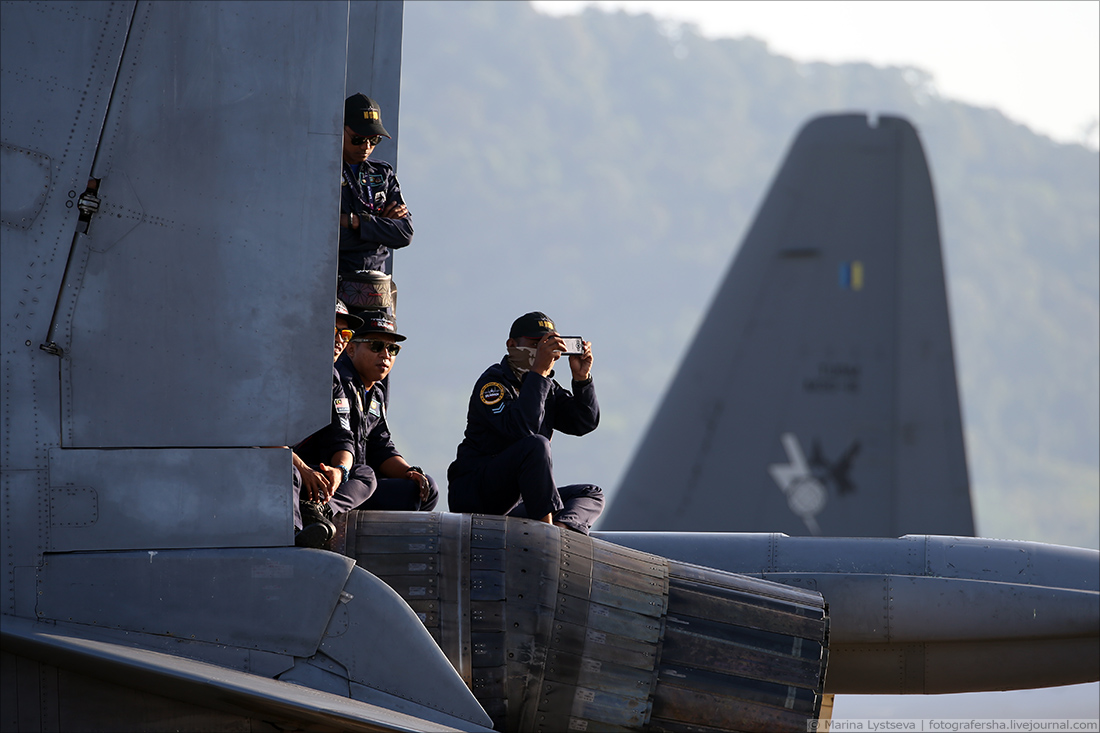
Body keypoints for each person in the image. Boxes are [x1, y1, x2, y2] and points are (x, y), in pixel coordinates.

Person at [447, 311, 604, 534]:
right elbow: (522, 429)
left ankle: (560, 532)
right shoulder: (493, 384)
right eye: (535, 344)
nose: (542, 351)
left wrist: (582, 380)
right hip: (478, 496)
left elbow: (583, 422)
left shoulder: (546, 386)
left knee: (591, 494)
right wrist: (539, 372)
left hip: (517, 502)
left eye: (547, 345)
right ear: (511, 344)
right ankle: (546, 533)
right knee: (536, 444)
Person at [331, 310, 439, 513]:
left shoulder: (376, 392)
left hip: (362, 483)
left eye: (393, 349)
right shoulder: (337, 382)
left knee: (426, 488)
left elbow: (381, 446)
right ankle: (324, 512)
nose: (385, 355)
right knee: (378, 481)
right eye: (376, 346)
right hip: (339, 478)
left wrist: (410, 472)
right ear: (351, 349)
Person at [290, 299, 366, 548]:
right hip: (278, 463)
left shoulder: (331, 376)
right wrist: (303, 469)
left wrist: (339, 471)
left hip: (311, 472)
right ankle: (292, 535)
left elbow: (343, 435)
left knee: (364, 474)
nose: (342, 339)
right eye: (334, 331)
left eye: (346, 333)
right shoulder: (279, 368)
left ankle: (319, 510)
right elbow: (257, 438)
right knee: (287, 471)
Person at [338, 93, 411, 295]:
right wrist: (380, 231)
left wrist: (355, 222)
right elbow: (326, 235)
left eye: (374, 140)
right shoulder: (322, 172)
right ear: (339, 129)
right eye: (358, 139)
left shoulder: (382, 173)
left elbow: (404, 233)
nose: (366, 147)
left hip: (376, 289)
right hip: (333, 286)